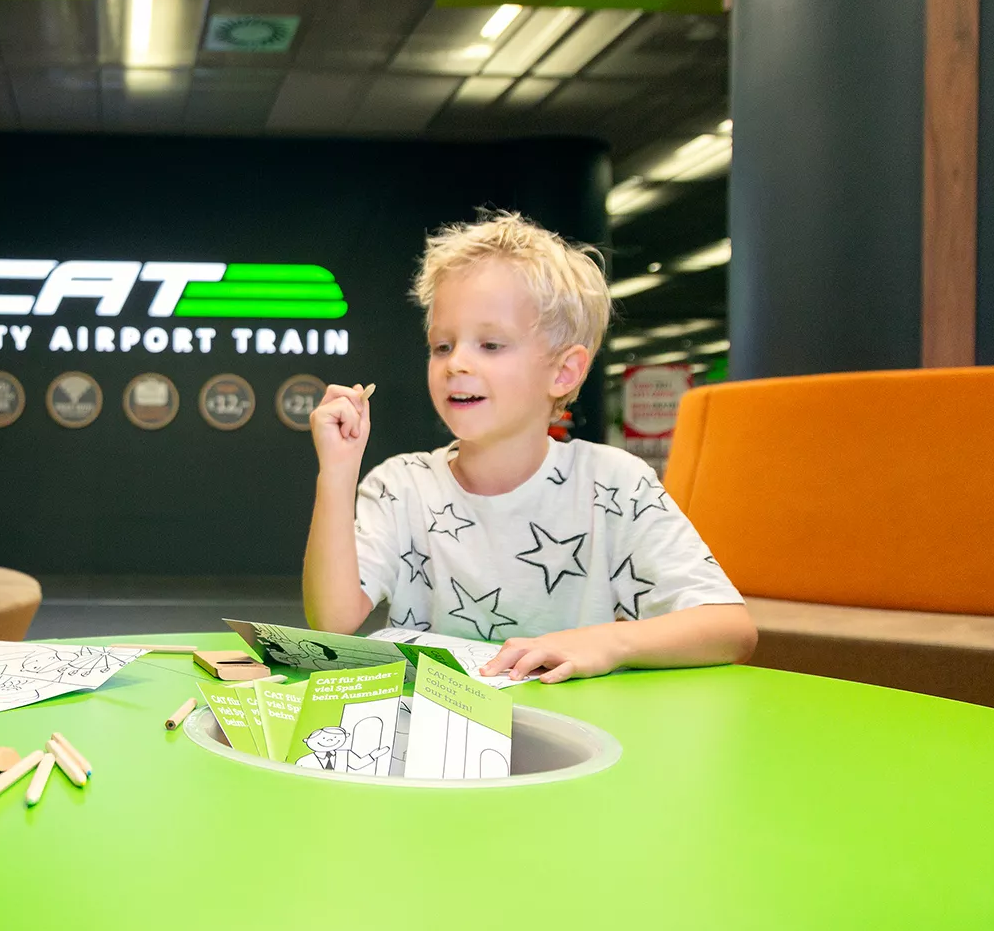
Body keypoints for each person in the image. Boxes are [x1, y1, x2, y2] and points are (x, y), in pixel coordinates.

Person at [302, 211, 756, 684]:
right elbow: (332, 619)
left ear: (564, 372)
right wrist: (337, 469)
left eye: (491, 345)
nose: (456, 363)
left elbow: (729, 628)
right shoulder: (402, 485)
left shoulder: (613, 483)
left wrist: (608, 643)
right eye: (442, 346)